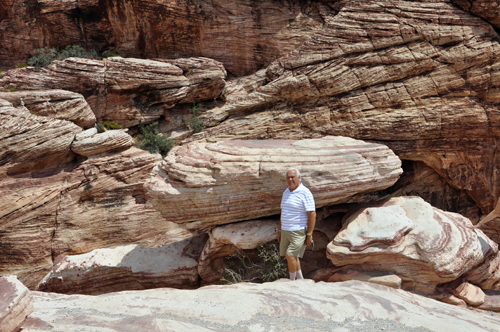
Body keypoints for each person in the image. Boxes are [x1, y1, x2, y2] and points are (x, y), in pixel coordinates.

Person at [278, 167, 316, 281]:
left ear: (299, 177)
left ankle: (292, 282)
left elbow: (312, 214)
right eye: (288, 177)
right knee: (292, 256)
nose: (290, 179)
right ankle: (300, 279)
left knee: (290, 255)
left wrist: (309, 234)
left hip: (298, 230)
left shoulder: (305, 192)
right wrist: (279, 230)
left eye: (293, 177)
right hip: (285, 230)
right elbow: (283, 212)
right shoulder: (286, 191)